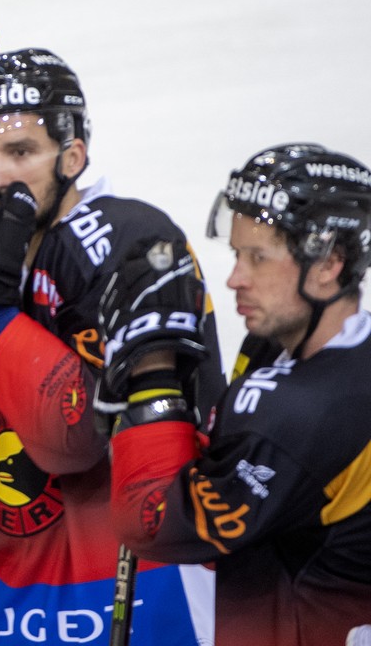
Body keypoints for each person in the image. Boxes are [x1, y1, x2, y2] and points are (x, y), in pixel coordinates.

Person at [0, 47, 222, 645]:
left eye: (20, 152)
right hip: (25, 595)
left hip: (151, 591)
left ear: (72, 154)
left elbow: (73, 442)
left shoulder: (131, 240)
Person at [102, 143, 371, 645]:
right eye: (237, 254)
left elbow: (150, 522)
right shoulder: (300, 353)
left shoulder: (299, 415)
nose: (233, 279)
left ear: (329, 264)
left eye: (258, 258)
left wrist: (153, 378)